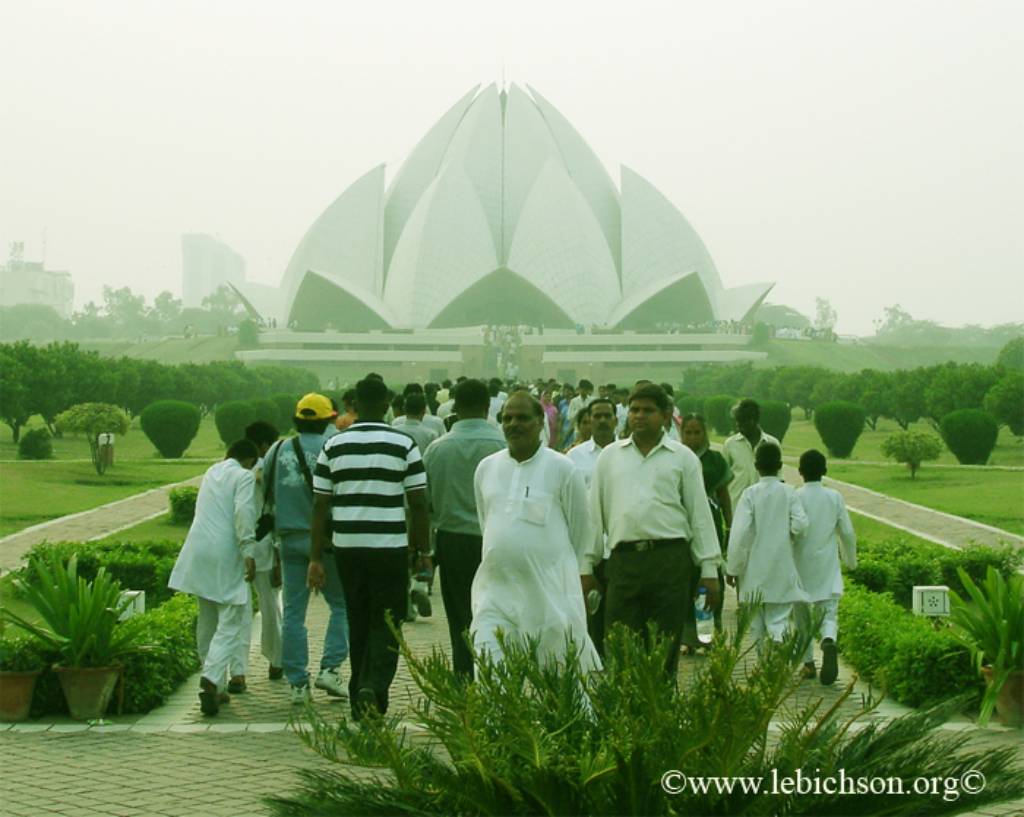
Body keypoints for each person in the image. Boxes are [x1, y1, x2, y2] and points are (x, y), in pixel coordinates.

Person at [310, 377, 431, 718]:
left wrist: (315, 557)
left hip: (348, 550)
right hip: (389, 548)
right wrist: (424, 553)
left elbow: (320, 505)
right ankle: (373, 687)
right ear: (388, 403)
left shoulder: (334, 445)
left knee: (359, 619)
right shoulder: (402, 443)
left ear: (355, 405)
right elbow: (418, 503)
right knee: (388, 622)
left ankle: (359, 700)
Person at [584, 383, 721, 676]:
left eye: (648, 410)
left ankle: (661, 716)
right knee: (621, 650)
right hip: (623, 563)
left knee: (664, 650)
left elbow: (699, 515)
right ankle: (626, 719)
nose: (639, 416)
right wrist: (586, 566)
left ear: (666, 415)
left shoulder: (683, 458)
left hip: (669, 562)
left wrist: (709, 570)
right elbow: (594, 515)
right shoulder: (609, 457)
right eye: (634, 410)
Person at [472, 391, 599, 672]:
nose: (513, 424)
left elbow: (580, 534)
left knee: (563, 687)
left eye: (522, 418)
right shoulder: (486, 469)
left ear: (540, 422)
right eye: (507, 418)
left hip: (549, 597)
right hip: (496, 593)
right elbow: (489, 525)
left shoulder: (562, 469)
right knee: (491, 681)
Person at [267, 394, 349, 703]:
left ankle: (297, 683)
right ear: (329, 419)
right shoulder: (334, 449)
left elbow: (266, 494)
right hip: (326, 541)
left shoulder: (277, 450)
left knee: (293, 613)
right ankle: (330, 668)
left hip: (289, 539)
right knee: (341, 606)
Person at [168, 440, 260, 716]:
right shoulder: (244, 476)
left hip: (198, 550)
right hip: (225, 552)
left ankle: (216, 686)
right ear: (248, 461)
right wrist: (249, 550)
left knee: (207, 618)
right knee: (232, 617)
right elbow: (244, 512)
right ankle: (211, 677)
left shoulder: (211, 471)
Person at [422, 379, 506, 677]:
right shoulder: (504, 447)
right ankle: (495, 676)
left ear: (454, 408)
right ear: (488, 408)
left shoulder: (436, 449)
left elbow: (426, 502)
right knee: (498, 612)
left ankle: (464, 678)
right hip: (496, 540)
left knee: (460, 616)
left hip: (453, 541)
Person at [725, 443, 809, 645]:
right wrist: (789, 534)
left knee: (756, 626)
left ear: (756, 466)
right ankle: (779, 648)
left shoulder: (749, 494)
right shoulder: (790, 492)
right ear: (780, 465)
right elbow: (801, 524)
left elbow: (739, 535)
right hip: (781, 568)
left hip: (753, 572)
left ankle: (764, 669)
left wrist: (733, 568)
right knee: (779, 619)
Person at [794, 449, 857, 685]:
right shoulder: (834, 497)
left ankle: (808, 663)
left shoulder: (795, 496)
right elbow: (847, 533)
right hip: (826, 564)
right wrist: (851, 560)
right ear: (825, 471)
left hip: (799, 565)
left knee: (801, 615)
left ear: (800, 472)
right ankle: (828, 638)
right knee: (829, 609)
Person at [566, 397, 617, 657]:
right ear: (588, 422)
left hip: (618, 546)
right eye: (596, 416)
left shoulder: (626, 454)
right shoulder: (575, 457)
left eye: (607, 415)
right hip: (588, 546)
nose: (602, 421)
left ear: (616, 420)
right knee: (592, 610)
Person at [680, 414, 733, 635]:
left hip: (710, 519)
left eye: (697, 432)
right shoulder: (677, 458)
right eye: (688, 432)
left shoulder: (715, 460)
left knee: (709, 575)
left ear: (705, 433)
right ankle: (688, 634)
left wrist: (730, 526)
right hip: (682, 523)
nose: (693, 437)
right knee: (686, 578)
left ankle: (708, 631)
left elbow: (723, 495)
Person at [243, 421, 284, 685]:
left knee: (241, 609)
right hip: (263, 544)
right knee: (270, 604)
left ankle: (238, 669)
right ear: (265, 446)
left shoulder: (236, 471)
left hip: (241, 545)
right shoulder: (266, 469)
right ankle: (277, 660)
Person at [722, 399, 781, 512]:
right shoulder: (730, 444)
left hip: (766, 509)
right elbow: (724, 479)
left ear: (753, 420)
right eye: (737, 421)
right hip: (737, 507)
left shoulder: (772, 444)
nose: (738, 425)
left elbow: (779, 478)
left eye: (742, 421)